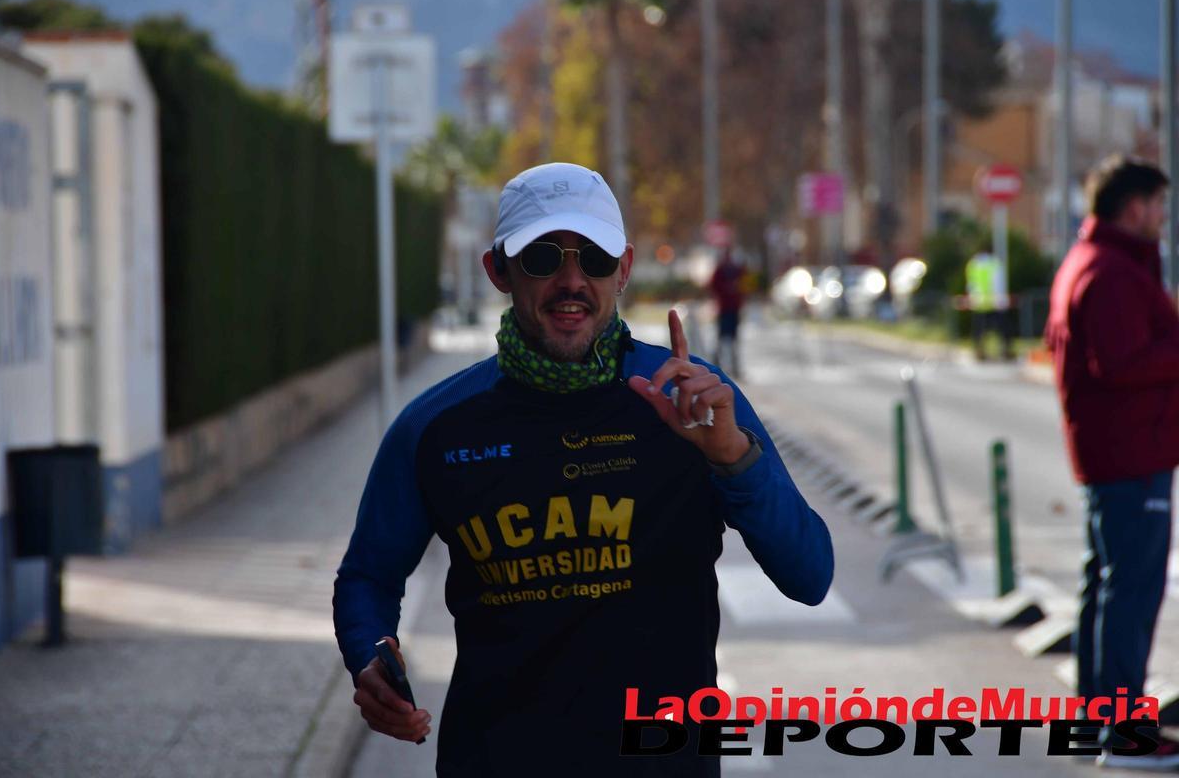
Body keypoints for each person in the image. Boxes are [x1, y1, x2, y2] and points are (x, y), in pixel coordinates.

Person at [333, 162, 834, 777]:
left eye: (593, 258)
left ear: (622, 270)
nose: (571, 281)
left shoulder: (694, 401)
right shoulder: (436, 429)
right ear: (498, 270)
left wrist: (733, 459)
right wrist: (370, 655)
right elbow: (367, 577)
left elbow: (810, 576)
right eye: (543, 258)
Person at [1045, 154, 1179, 770]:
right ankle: (1124, 733)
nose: (1162, 218)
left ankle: (1098, 723)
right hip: (1133, 449)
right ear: (1134, 207)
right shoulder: (1114, 274)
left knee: (1106, 585)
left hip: (1115, 450)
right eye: (1158, 206)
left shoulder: (1090, 262)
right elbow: (1122, 364)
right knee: (1130, 590)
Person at [965, 244, 1013, 361]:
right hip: (994, 302)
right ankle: (1005, 351)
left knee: (979, 331)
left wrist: (972, 298)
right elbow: (999, 283)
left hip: (979, 302)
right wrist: (1001, 299)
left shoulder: (973, 264)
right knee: (1002, 329)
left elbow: (970, 284)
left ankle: (979, 352)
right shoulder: (994, 264)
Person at [708, 244, 746, 376]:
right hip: (724, 308)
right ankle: (716, 364)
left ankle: (734, 366)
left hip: (733, 308)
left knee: (734, 339)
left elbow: (745, 284)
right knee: (721, 338)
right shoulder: (720, 271)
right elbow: (714, 286)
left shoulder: (737, 270)